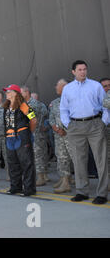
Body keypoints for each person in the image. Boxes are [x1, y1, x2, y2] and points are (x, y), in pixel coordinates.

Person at [60, 60, 109, 205]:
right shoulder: (68, 89)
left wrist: (103, 122)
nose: (83, 72)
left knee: (101, 159)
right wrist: (68, 125)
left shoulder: (96, 86)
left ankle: (102, 193)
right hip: (75, 126)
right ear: (73, 72)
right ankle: (82, 191)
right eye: (80, 70)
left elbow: (105, 106)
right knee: (78, 160)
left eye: (85, 69)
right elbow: (63, 109)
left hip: (95, 124)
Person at [3, 84, 37, 196]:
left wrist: (27, 133)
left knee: (26, 163)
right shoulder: (6, 107)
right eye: (6, 91)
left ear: (15, 93)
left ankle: (29, 189)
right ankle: (15, 187)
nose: (6, 93)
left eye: (8, 91)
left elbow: (33, 119)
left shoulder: (23, 105)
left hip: (21, 137)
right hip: (9, 138)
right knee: (12, 164)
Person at [49, 79, 74, 193]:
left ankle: (78, 181)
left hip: (71, 136)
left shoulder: (74, 100)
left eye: (57, 85)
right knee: (62, 158)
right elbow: (51, 118)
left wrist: (65, 130)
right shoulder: (54, 102)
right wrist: (56, 128)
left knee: (75, 159)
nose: (55, 87)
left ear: (65, 87)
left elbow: (76, 117)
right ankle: (65, 181)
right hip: (59, 136)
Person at [21, 85, 49, 186]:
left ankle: (41, 177)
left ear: (26, 92)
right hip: (35, 133)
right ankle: (43, 175)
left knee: (37, 156)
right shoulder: (30, 104)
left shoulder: (32, 105)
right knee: (40, 155)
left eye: (21, 93)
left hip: (35, 134)